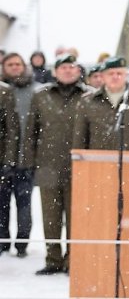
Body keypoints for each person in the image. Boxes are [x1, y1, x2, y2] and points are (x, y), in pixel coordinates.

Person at [23, 54, 92, 275]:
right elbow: (31, 130)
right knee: (50, 216)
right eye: (63, 68)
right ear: (55, 72)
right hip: (47, 165)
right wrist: (28, 161)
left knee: (76, 217)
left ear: (78, 70)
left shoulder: (88, 96)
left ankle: (73, 259)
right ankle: (53, 258)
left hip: (78, 166)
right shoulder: (41, 95)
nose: (68, 71)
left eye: (72, 67)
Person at [72, 57, 129, 153]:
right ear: (103, 77)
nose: (115, 77)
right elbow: (80, 139)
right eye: (110, 74)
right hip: (97, 163)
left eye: (119, 73)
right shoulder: (88, 101)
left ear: (126, 75)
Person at [1, 53, 30, 256]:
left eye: (17, 64)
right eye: (9, 64)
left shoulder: (35, 91)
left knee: (24, 204)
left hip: (25, 157)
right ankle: (3, 241)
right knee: (2, 205)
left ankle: (22, 243)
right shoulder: (3, 90)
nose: (14, 67)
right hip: (4, 157)